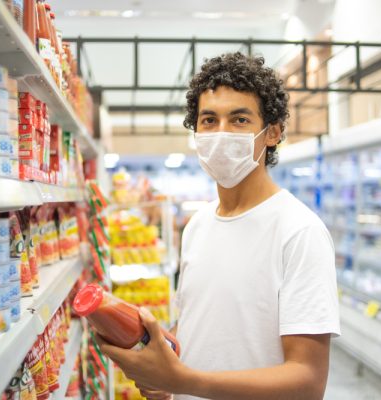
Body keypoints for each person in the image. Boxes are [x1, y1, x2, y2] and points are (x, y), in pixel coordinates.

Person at [98, 52, 340, 400]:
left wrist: (184, 380)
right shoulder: (197, 226)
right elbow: (201, 321)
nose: (221, 132)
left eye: (239, 120)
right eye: (209, 120)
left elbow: (308, 381)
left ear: (272, 133)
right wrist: (162, 360)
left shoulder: (299, 231)